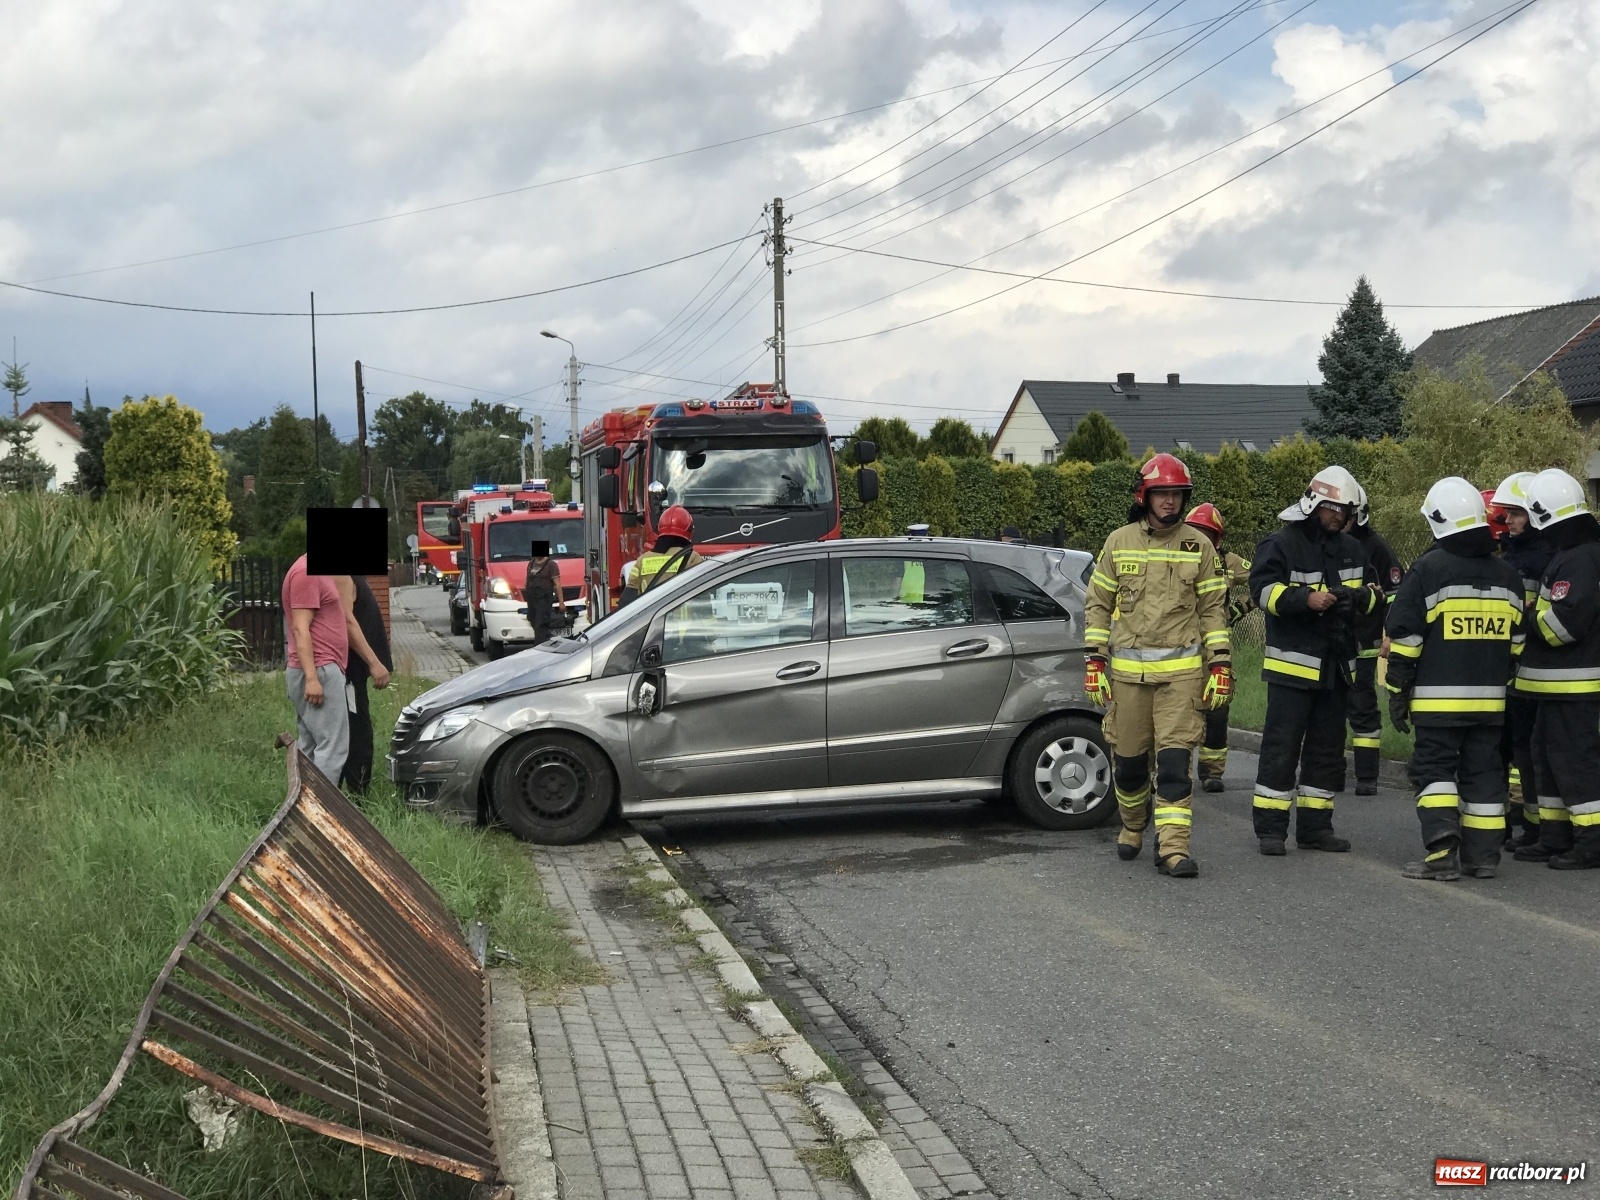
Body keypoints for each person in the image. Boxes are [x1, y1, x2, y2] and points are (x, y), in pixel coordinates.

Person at [1083, 453, 1231, 878]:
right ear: (1144, 496)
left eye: (1177, 494)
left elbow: (1213, 613)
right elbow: (1097, 605)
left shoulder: (1198, 546)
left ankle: (1173, 850)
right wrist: (1094, 660)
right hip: (1128, 679)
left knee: (1172, 766)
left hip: (1182, 679)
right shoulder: (1118, 542)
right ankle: (1132, 825)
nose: (1170, 501)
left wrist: (1219, 665)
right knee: (1129, 767)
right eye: (1162, 493)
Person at [1384, 479, 1524, 881]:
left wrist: (1398, 691)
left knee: (1434, 770)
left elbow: (1405, 638)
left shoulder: (1429, 570)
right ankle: (1483, 858)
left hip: (1437, 704)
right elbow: (1518, 645)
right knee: (1484, 774)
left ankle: (1441, 853)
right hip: (1490, 705)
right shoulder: (1509, 576)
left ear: (1440, 523)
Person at [1248, 466, 1382, 857]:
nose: (1339, 516)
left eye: (1345, 510)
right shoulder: (1282, 543)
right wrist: (1304, 599)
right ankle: (1271, 831)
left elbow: (1376, 596)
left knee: (1327, 752)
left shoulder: (1354, 549)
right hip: (1292, 670)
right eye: (1333, 509)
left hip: (1337, 670)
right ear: (1315, 503)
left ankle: (1315, 828)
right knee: (1281, 749)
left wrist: (1358, 600)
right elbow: (1263, 591)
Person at [1510, 468, 1600, 869]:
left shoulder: (1582, 558)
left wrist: (1525, 617)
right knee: (1545, 756)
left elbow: (1564, 625)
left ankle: (1591, 842)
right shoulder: (1571, 553)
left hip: (1576, 686)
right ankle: (1554, 836)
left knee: (1575, 762)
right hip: (1554, 686)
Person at [1491, 472, 1552, 849]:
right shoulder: (1509, 554)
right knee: (1502, 749)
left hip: (1532, 669)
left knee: (1527, 750)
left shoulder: (1546, 556)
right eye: (1507, 514)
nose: (1508, 521)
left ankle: (1535, 827)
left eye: (1516, 514)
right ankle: (1500, 823)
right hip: (1504, 668)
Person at [1185, 502, 1252, 792]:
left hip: (1217, 649)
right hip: (1182, 647)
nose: (1201, 538)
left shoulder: (1228, 562)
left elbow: (1263, 580)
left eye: (1207, 534)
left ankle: (1212, 771)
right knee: (1181, 710)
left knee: (1217, 708)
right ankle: (1178, 772)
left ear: (1218, 539)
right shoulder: (1176, 559)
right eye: (1196, 531)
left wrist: (1239, 608)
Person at [1343, 483, 1403, 795]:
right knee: (1329, 710)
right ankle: (1330, 772)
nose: (1341, 519)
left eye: (1348, 514)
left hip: (1364, 643)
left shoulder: (1376, 547)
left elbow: (1395, 596)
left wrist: (1390, 634)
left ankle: (1367, 776)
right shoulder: (1325, 542)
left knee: (1362, 706)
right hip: (1331, 644)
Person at [282, 553, 350, 782]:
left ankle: (304, 806)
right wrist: (312, 678)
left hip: (319, 669)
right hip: (318, 670)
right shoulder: (306, 572)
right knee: (332, 748)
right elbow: (300, 628)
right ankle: (321, 811)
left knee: (310, 746)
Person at [337, 574, 393, 793]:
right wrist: (374, 662)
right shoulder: (341, 576)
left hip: (354, 674)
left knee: (357, 732)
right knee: (356, 734)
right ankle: (356, 798)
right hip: (348, 673)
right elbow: (345, 620)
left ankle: (354, 794)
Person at [619, 505, 704, 606]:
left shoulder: (642, 560)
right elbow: (702, 598)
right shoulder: (693, 558)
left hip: (651, 620)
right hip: (683, 621)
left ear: (660, 530)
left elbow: (627, 599)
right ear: (689, 531)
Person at [524, 540, 563, 644]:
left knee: (540, 623)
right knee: (532, 619)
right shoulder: (531, 563)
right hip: (532, 598)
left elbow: (557, 584)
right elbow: (527, 580)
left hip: (544, 598)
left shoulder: (551, 565)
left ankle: (538, 646)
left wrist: (561, 602)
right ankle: (550, 639)